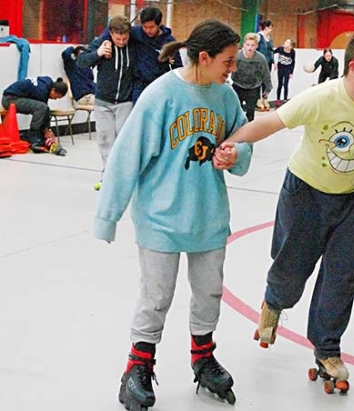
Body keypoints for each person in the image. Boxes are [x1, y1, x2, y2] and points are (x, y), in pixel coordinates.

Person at [213, 29, 354, 393]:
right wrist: (229, 144)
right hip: (305, 192)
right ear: (353, 67)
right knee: (293, 266)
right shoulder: (321, 98)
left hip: (351, 198)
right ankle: (274, 301)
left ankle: (327, 348)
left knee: (342, 275)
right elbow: (268, 123)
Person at [93, 19, 252, 410]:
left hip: (208, 216)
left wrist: (236, 154)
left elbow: (243, 143)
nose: (231, 69)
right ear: (204, 57)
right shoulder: (161, 95)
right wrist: (107, 217)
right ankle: (138, 366)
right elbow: (125, 158)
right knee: (156, 296)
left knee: (209, 294)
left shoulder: (226, 97)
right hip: (161, 218)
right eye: (227, 61)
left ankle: (203, 357)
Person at [77, 16, 136, 190]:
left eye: (125, 38)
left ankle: (125, 178)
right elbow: (81, 62)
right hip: (103, 101)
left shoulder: (134, 44)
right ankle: (108, 176)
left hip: (125, 101)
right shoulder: (102, 42)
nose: (122, 42)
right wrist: (98, 53)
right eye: (118, 39)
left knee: (123, 141)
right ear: (111, 34)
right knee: (105, 140)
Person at [1, 76, 68, 155]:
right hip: (10, 99)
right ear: (53, 90)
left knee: (43, 108)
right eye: (56, 97)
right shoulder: (42, 90)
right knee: (41, 107)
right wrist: (47, 131)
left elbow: (46, 111)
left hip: (15, 97)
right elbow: (43, 110)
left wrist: (48, 129)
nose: (55, 99)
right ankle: (32, 136)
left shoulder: (46, 85)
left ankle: (37, 135)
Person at [130, 6, 182, 103]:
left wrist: (172, 60)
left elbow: (178, 67)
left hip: (160, 85)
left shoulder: (169, 41)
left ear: (158, 24)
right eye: (145, 27)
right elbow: (115, 28)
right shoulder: (137, 33)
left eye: (151, 27)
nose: (148, 30)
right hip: (139, 85)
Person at [231, 33, 272, 122]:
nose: (250, 48)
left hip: (253, 88)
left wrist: (268, 88)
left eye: (253, 45)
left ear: (256, 46)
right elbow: (227, 68)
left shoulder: (261, 58)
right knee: (237, 110)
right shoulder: (237, 56)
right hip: (238, 86)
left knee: (250, 111)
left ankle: (248, 130)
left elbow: (266, 73)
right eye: (248, 45)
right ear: (244, 45)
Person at [256, 20, 274, 111]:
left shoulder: (269, 38)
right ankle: (258, 99)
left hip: (268, 62)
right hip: (260, 63)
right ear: (266, 27)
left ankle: (265, 98)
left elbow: (271, 51)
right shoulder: (259, 36)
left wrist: (274, 62)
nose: (271, 29)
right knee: (259, 80)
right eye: (270, 27)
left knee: (266, 81)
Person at [273, 38, 296, 107]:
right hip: (280, 68)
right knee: (280, 84)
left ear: (290, 46)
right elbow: (272, 52)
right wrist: (274, 63)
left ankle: (285, 100)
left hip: (287, 69)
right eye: (285, 41)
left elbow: (293, 62)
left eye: (287, 42)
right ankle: (278, 100)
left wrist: (291, 72)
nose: (285, 43)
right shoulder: (280, 49)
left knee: (285, 85)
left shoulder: (292, 52)